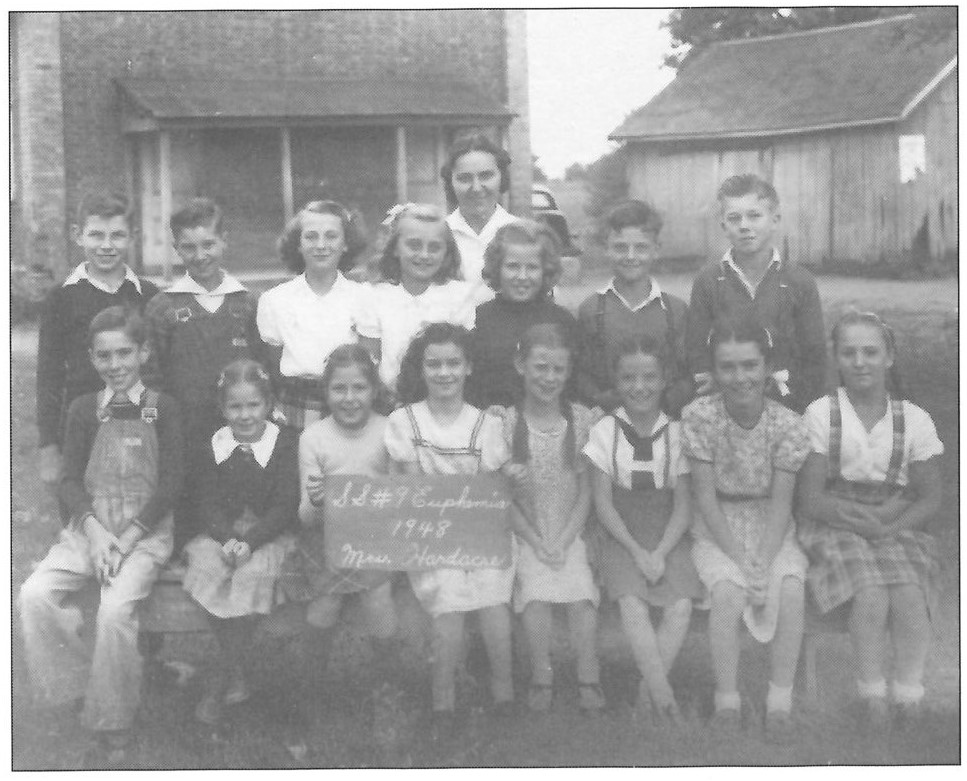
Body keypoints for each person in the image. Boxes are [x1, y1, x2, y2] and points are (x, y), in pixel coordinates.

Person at [20, 306, 183, 767]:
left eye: (125, 353)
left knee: (114, 610)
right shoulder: (82, 410)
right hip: (89, 528)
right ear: (92, 358)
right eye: (105, 356)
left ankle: (114, 720)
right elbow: (70, 481)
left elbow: (171, 484)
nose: (115, 365)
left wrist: (128, 536)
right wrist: (94, 533)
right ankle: (73, 690)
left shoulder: (162, 408)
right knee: (34, 594)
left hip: (145, 532)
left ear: (143, 352)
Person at [797, 310, 943, 729]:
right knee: (871, 592)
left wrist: (892, 524)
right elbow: (810, 498)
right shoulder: (822, 414)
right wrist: (862, 521)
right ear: (836, 359)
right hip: (833, 519)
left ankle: (909, 694)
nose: (860, 362)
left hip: (897, 520)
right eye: (849, 353)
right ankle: (872, 694)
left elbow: (930, 496)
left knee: (910, 594)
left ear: (889, 357)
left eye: (870, 352)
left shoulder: (913, 419)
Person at [681, 318, 809, 742]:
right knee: (728, 591)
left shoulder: (787, 424)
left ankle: (780, 700)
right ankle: (727, 699)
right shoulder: (699, 416)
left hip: (771, 526)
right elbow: (704, 498)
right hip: (718, 526)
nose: (740, 377)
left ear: (767, 366)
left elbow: (782, 502)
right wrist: (740, 561)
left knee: (789, 586)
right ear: (715, 371)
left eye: (750, 365)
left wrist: (764, 561)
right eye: (728, 367)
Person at [385, 323, 517, 736]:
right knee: (449, 596)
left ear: (469, 367)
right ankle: (443, 699)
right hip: (427, 531)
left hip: (479, 528)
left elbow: (493, 490)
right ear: (421, 370)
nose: (444, 373)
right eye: (434, 364)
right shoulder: (404, 421)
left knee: (493, 596)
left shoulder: (485, 424)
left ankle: (504, 692)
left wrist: (504, 481)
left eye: (453, 363)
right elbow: (406, 488)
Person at [584, 335, 703, 725]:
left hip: (667, 529)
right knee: (632, 603)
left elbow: (684, 505)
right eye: (629, 378)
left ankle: (645, 695)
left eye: (649, 377)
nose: (640, 387)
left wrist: (662, 551)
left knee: (681, 605)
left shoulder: (676, 433)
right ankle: (666, 701)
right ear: (616, 383)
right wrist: (637, 552)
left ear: (665, 379)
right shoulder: (605, 431)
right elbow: (602, 503)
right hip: (620, 531)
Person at [181, 359, 298, 728]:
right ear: (222, 408)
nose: (245, 415)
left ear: (268, 404)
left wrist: (250, 541)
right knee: (208, 567)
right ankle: (238, 671)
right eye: (235, 406)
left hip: (270, 533)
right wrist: (228, 538)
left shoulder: (285, 442)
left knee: (253, 573)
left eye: (253, 405)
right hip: (222, 532)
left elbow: (284, 505)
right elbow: (206, 502)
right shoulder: (214, 444)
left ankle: (223, 676)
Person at [144, 198, 263, 548]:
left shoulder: (247, 303)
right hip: (185, 430)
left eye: (208, 244)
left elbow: (261, 366)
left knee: (236, 503)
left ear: (224, 240)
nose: (200, 255)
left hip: (238, 425)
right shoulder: (163, 307)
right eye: (189, 247)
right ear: (176, 248)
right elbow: (151, 375)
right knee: (189, 505)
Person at [280, 343, 399, 683]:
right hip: (326, 536)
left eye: (359, 387)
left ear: (374, 390)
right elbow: (306, 518)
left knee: (377, 596)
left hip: (378, 537)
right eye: (339, 388)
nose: (349, 397)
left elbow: (401, 500)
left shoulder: (388, 431)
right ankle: (311, 689)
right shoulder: (314, 438)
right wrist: (317, 501)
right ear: (326, 392)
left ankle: (388, 689)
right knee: (327, 602)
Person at [500, 324, 602, 713]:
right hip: (525, 531)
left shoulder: (578, 421)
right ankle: (541, 675)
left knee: (581, 598)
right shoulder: (507, 423)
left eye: (558, 370)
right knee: (536, 599)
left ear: (569, 372)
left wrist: (563, 538)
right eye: (540, 367)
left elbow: (587, 491)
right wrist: (537, 540)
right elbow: (503, 499)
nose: (549, 378)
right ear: (520, 365)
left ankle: (588, 675)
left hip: (569, 529)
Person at [37, 192, 159, 491]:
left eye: (117, 235)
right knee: (84, 510)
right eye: (96, 235)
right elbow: (49, 375)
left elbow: (158, 366)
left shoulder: (148, 294)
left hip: (138, 421)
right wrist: (48, 446)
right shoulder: (61, 298)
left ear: (132, 237)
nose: (106, 245)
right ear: (78, 236)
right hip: (83, 423)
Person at [684, 174, 826, 413]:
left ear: (775, 219)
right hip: (727, 403)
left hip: (788, 404)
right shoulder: (709, 281)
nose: (744, 226)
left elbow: (815, 354)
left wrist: (802, 401)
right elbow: (696, 350)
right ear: (723, 226)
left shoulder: (799, 280)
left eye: (754, 216)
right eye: (734, 218)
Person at [256, 200, 369, 431]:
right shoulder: (275, 300)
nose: (321, 245)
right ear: (297, 244)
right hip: (296, 405)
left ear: (346, 243)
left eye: (331, 236)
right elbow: (272, 364)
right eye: (310, 236)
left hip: (350, 402)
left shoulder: (365, 297)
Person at [576, 200, 691, 417]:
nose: (630, 256)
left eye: (641, 247)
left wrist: (665, 403)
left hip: (663, 423)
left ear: (656, 250)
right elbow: (581, 374)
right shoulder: (592, 310)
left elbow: (688, 374)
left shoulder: (675, 310)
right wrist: (602, 400)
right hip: (608, 424)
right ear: (607, 249)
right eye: (620, 247)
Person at [356, 203, 476, 393]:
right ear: (395, 248)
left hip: (443, 398)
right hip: (390, 399)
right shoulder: (375, 295)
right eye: (414, 245)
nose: (424, 255)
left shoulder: (460, 296)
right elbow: (368, 361)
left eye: (435, 247)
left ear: (446, 253)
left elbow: (463, 357)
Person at [468, 219, 581, 408]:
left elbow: (574, 384)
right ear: (497, 268)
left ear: (546, 270)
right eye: (513, 266)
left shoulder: (562, 321)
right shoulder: (480, 318)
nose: (522, 276)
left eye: (532, 268)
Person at [441, 132, 518, 301]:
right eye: (464, 178)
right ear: (450, 183)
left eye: (486, 176)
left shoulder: (522, 233)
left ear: (502, 177)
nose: (476, 188)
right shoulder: (438, 234)